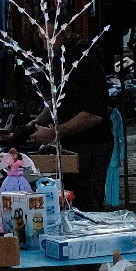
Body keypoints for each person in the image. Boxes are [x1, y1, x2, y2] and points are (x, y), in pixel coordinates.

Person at [19, 47, 115, 212]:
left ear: (67, 32)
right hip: (72, 146)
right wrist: (34, 123)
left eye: (50, 36)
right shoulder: (59, 62)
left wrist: (52, 133)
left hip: (92, 145)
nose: (46, 43)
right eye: (42, 39)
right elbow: (57, 102)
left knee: (88, 203)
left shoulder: (86, 64)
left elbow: (93, 115)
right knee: (73, 201)